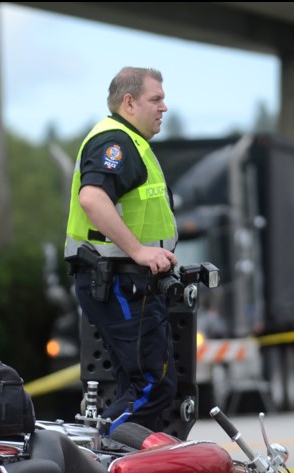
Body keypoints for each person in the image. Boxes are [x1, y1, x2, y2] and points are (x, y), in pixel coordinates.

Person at [64, 67, 178, 434]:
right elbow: (93, 199)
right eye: (155, 99)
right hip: (119, 282)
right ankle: (93, 455)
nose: (164, 107)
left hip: (123, 283)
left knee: (137, 386)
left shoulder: (131, 142)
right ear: (129, 102)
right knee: (152, 387)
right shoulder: (116, 142)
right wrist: (140, 252)